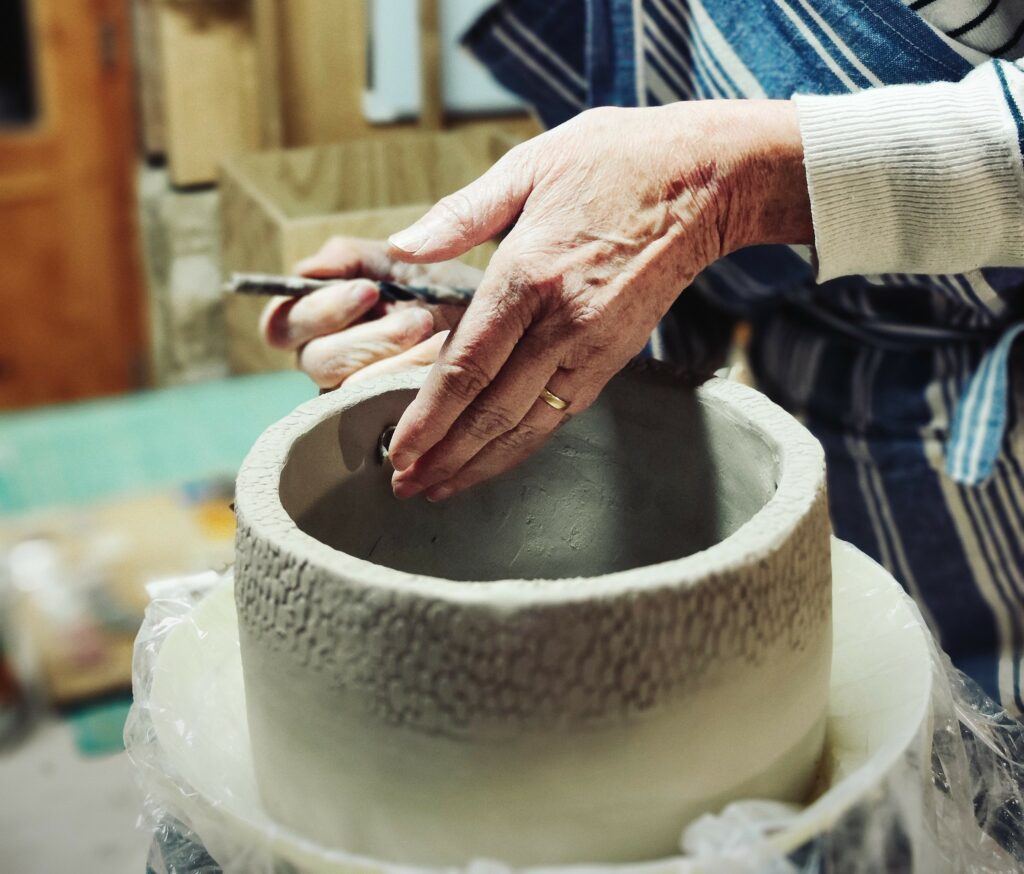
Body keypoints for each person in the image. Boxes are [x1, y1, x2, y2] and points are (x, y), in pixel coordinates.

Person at [260, 0, 1024, 718]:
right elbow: (664, 222)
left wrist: (727, 184)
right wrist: (529, 320)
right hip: (830, 399)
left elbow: (694, 181)